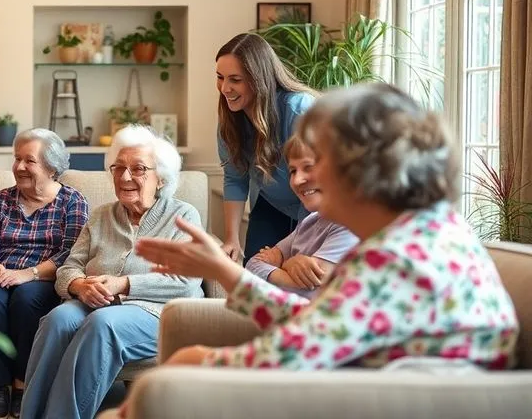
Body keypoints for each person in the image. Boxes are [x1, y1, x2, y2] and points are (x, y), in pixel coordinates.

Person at [135, 83, 518, 374]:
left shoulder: (396, 259)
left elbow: (289, 353)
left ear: (360, 171)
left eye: (320, 159)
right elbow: (315, 319)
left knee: (185, 361)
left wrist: (188, 364)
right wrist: (221, 268)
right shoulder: (427, 231)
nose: (304, 176)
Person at [20, 125, 204, 419]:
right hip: (94, 303)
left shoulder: (183, 216)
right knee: (58, 318)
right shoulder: (102, 215)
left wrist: (123, 284)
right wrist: (79, 286)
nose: (125, 177)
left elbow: (186, 280)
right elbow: (70, 267)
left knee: (103, 324)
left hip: (160, 312)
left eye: (138, 168)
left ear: (161, 178)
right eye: (118, 168)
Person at [0, 128, 89, 419]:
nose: (20, 167)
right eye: (17, 159)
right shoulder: (0, 201)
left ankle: (23, 385)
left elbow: (71, 253)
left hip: (43, 277)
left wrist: (29, 273)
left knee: (26, 299)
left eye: (29, 161)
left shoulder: (73, 202)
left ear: (51, 167)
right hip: (1, 275)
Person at [215, 33, 317, 263]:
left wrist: (296, 245)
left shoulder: (298, 109)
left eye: (235, 79)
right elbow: (234, 178)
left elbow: (316, 179)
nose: (225, 88)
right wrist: (232, 239)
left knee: (297, 271)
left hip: (314, 205)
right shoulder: (230, 121)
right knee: (257, 270)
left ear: (259, 79)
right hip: (271, 205)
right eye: (220, 77)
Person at [244, 135, 358, 297]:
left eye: (308, 167)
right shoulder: (310, 220)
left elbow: (309, 292)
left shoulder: (349, 225)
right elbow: (252, 265)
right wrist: (291, 265)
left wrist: (285, 262)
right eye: (293, 171)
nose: (297, 180)